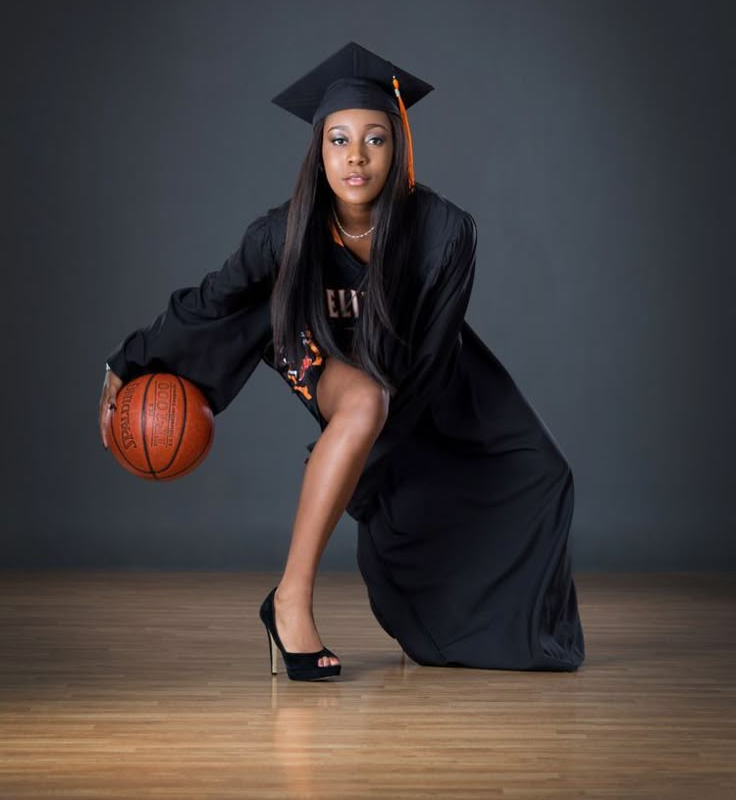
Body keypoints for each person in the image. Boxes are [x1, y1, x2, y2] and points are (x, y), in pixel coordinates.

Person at [98, 40, 586, 681]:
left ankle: (510, 632)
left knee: (544, 474)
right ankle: (290, 602)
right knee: (364, 403)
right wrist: (127, 360)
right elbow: (212, 299)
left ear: (397, 146)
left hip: (426, 367)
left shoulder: (445, 231)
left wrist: (372, 467)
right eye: (338, 139)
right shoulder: (282, 232)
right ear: (318, 150)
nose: (355, 157)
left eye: (375, 139)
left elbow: (434, 354)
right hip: (319, 351)